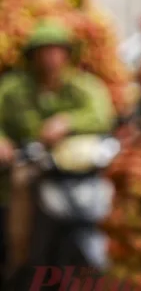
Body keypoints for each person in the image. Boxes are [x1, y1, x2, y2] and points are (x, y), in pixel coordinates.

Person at [0, 19, 114, 285]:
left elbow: (102, 114)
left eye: (56, 50)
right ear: (33, 55)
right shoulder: (13, 88)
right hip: (24, 164)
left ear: (66, 54)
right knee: (19, 202)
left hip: (72, 170)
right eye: (44, 51)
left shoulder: (83, 86)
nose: (51, 58)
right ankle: (19, 266)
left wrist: (68, 122)